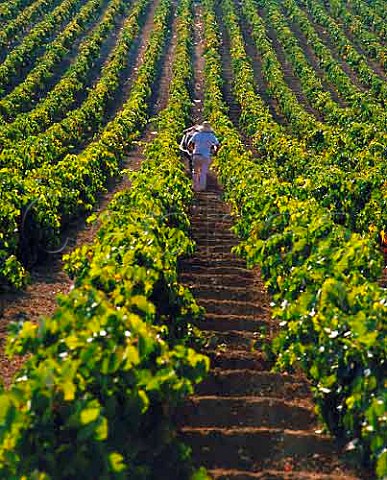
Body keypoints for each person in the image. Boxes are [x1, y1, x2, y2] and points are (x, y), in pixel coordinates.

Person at [187, 121, 220, 191]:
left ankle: (195, 187)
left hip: (196, 155)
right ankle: (202, 188)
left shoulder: (196, 134)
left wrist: (192, 150)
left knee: (195, 172)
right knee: (203, 173)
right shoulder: (211, 136)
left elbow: (189, 144)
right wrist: (215, 152)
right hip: (205, 156)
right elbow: (217, 145)